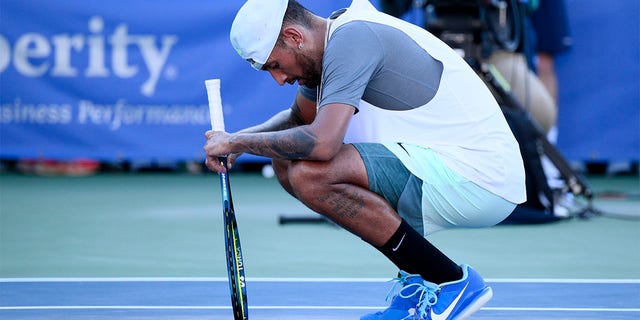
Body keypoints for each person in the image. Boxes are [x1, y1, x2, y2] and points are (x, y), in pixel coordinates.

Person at [204, 0, 526, 319]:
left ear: (294, 36)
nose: (279, 79)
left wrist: (237, 140)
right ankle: (417, 283)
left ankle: (451, 280)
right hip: (446, 166)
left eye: (275, 65)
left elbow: (322, 143)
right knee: (285, 161)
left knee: (309, 173)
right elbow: (297, 121)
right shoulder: (334, 44)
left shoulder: (352, 41)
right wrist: (239, 144)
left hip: (479, 173)